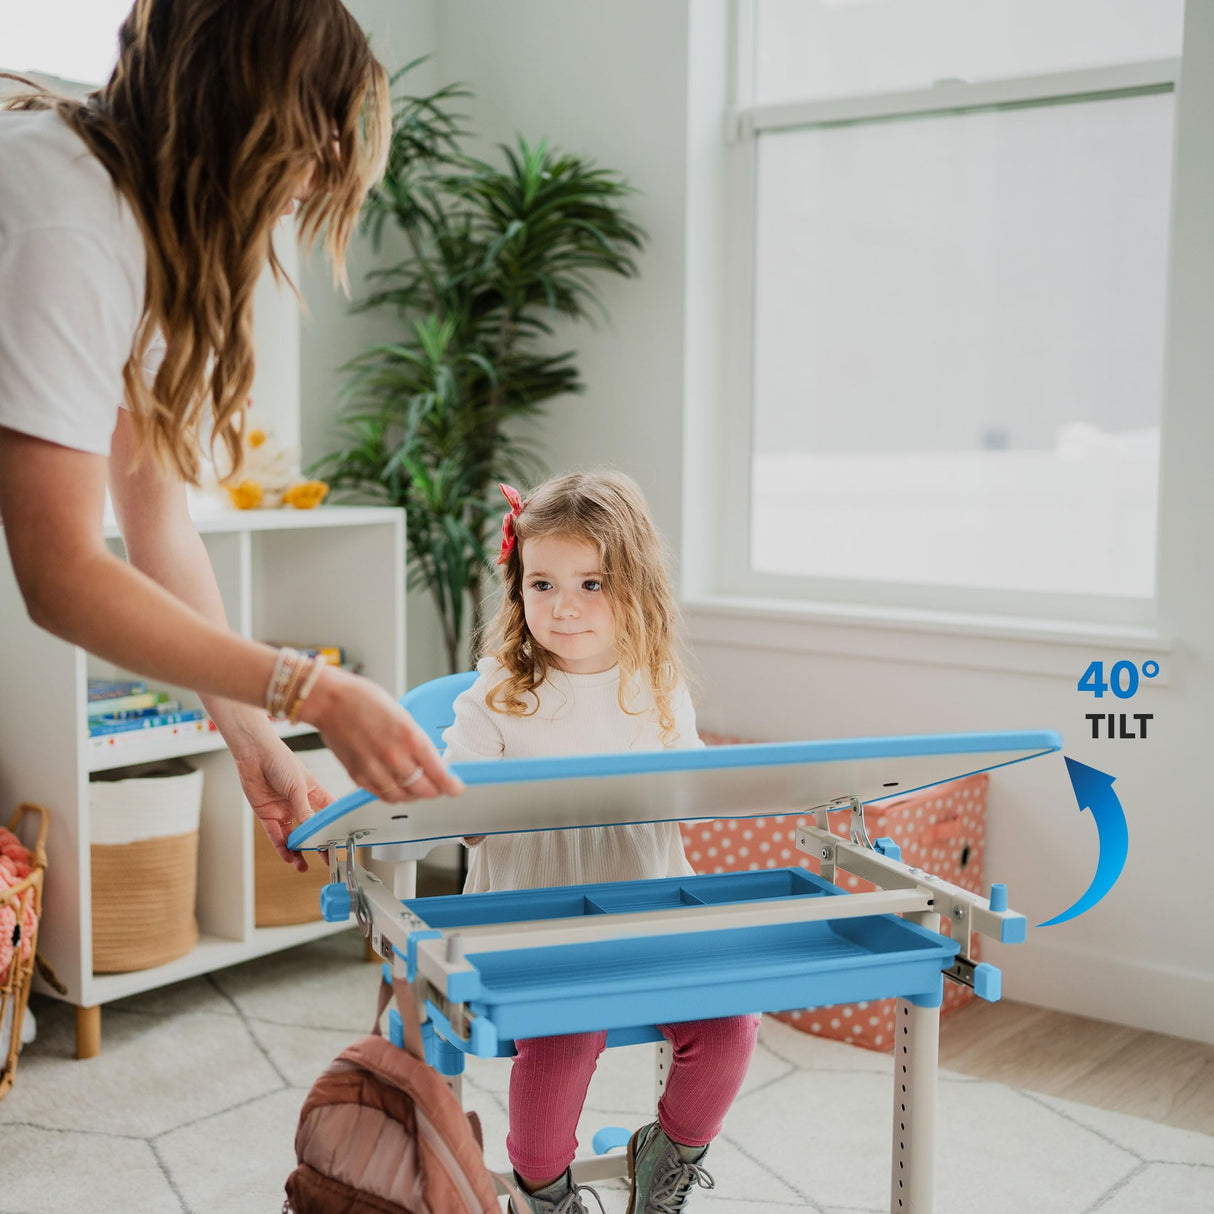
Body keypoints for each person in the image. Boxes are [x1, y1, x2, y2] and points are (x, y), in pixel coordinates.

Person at [0, 0, 463, 872]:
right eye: (316, 139)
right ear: (245, 111)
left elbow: (157, 528)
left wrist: (253, 737)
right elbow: (57, 574)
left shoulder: (147, 242)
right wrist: (311, 689)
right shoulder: (67, 212)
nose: (318, 179)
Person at [442, 471, 760, 1214]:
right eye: (542, 584)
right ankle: (545, 1193)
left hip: (646, 919)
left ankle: (666, 1161)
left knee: (730, 1028)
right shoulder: (494, 694)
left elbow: (686, 801)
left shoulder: (656, 687)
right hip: (532, 931)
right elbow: (457, 817)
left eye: (591, 583)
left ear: (635, 586)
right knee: (564, 1042)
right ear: (517, 588)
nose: (565, 607)